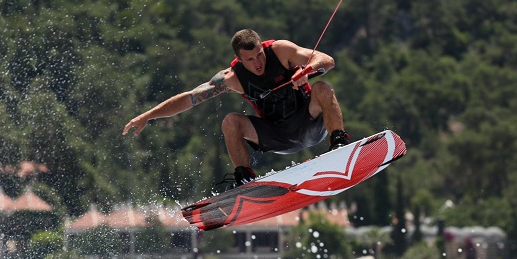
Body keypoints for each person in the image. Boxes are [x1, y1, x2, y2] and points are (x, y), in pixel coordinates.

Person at [123, 29, 350, 186]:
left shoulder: (281, 51)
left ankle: (339, 143)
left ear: (263, 46)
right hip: (276, 135)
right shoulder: (231, 78)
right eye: (250, 59)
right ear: (239, 59)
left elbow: (326, 59)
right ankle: (245, 178)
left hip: (309, 121)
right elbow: (189, 98)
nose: (258, 63)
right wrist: (149, 115)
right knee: (231, 121)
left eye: (259, 55)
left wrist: (308, 70)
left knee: (322, 87)